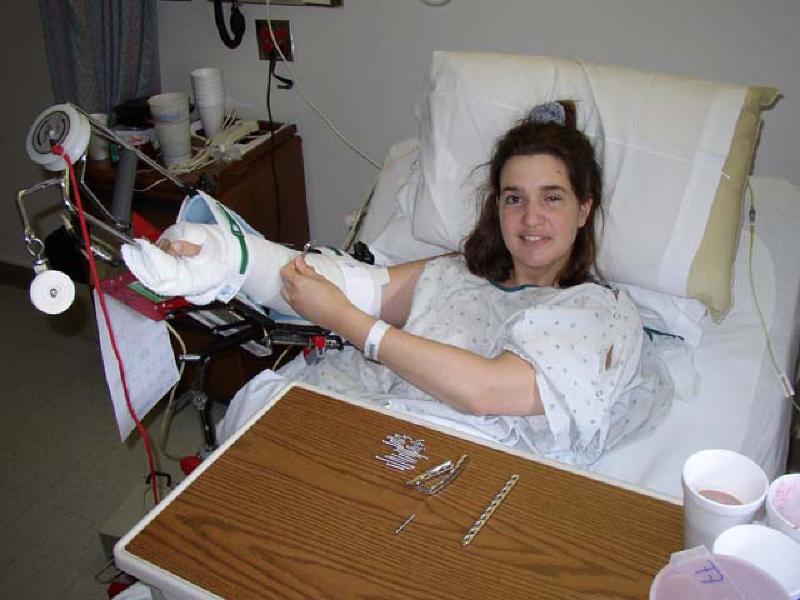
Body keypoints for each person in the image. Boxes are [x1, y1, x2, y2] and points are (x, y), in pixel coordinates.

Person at [142, 118, 672, 466]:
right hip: (370, 431)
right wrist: (221, 254)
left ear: (584, 209)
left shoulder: (597, 311)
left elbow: (486, 391)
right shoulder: (455, 275)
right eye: (514, 198)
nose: (531, 218)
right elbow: (348, 286)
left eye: (552, 198)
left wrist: (352, 324)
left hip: (459, 467)